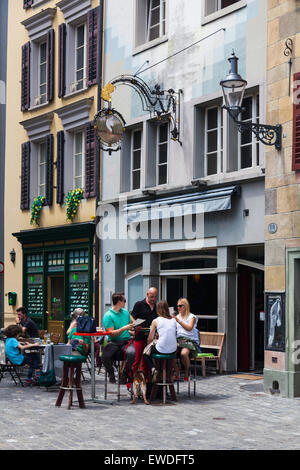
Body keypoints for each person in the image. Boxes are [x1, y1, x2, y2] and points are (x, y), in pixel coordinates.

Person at [126, 287, 158, 385]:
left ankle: (145, 382)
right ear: (147, 294)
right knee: (137, 359)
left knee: (146, 360)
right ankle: (131, 382)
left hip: (150, 337)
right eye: (152, 296)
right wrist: (135, 323)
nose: (153, 299)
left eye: (155, 297)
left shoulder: (156, 306)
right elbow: (131, 315)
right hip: (140, 335)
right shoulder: (139, 304)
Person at [102, 292, 134, 383]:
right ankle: (111, 373)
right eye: (124, 300)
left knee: (132, 353)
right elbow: (111, 334)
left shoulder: (125, 312)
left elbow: (130, 324)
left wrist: (131, 329)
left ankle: (124, 374)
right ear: (119, 301)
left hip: (126, 340)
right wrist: (124, 328)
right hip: (113, 341)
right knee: (104, 355)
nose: (125, 302)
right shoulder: (108, 316)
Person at [142, 300, 177, 379]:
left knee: (145, 354)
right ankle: (167, 372)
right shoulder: (174, 320)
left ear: (158, 309)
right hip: (173, 349)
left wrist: (149, 343)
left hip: (161, 349)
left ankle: (153, 369)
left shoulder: (156, 320)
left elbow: (150, 338)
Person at [173, 298, 199, 381]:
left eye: (180, 306)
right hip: (179, 339)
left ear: (186, 306)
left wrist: (179, 321)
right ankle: (177, 370)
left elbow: (189, 328)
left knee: (184, 354)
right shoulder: (177, 316)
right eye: (177, 306)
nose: (178, 308)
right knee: (169, 353)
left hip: (189, 339)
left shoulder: (192, 317)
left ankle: (187, 372)